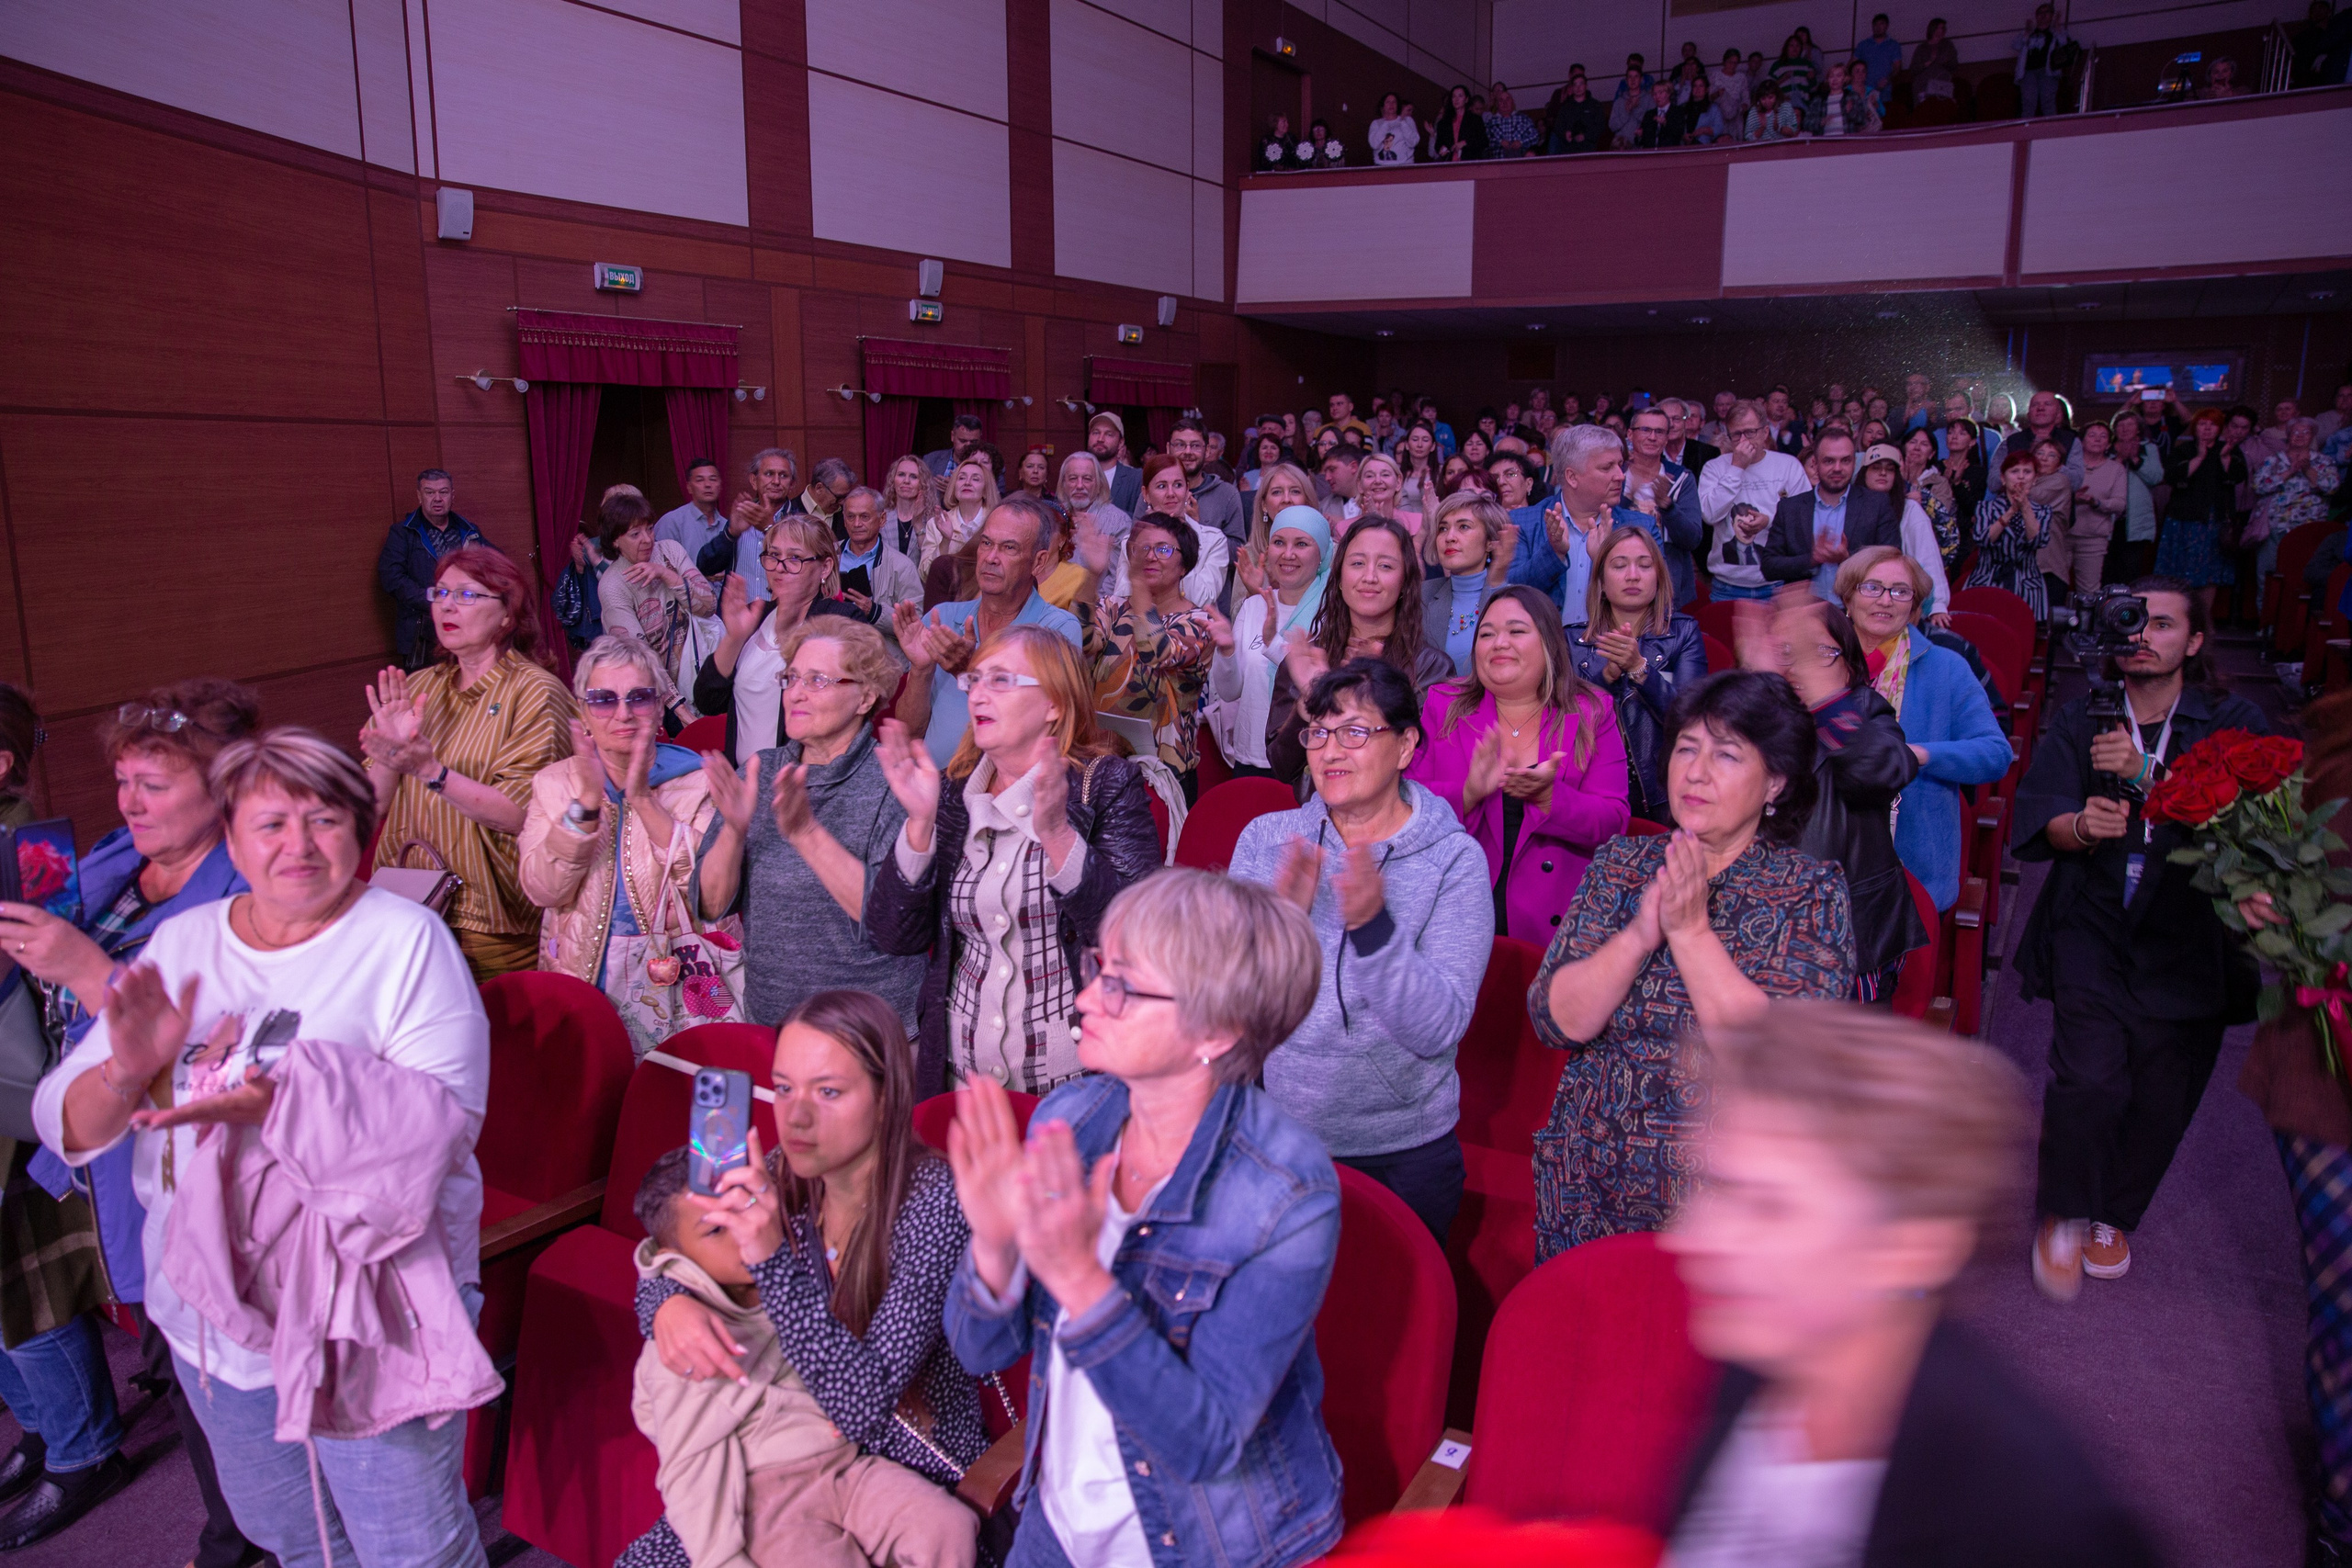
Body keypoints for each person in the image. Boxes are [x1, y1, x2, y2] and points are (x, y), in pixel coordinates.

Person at [34, 729, 493, 1568]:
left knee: (410, 1549)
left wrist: (284, 1105)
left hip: (368, 1308)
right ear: (232, 837)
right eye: (271, 823)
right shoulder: (186, 940)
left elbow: (444, 1129)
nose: (298, 845)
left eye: (324, 820)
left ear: (358, 827)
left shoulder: (405, 941)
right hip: (211, 1310)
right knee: (288, 1534)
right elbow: (69, 1122)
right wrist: (126, 1070)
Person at [1663, 1003, 2162, 1567]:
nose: (1691, 1237)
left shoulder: (2033, 1516)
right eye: (1714, 1188)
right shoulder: (1765, 1357)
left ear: (1912, 1249)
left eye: (1767, 1207)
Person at [943, 869, 1343, 1568]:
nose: (1084, 998)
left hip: (1207, 1546)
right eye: (1098, 967)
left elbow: (1204, 1443)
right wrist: (995, 1247)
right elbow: (979, 1351)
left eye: (1121, 985)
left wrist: (1080, 1278)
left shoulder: (1288, 1192)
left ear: (1216, 1030)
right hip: (1057, 1527)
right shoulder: (1071, 1117)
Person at [0, 683, 261, 1559]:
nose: (130, 802)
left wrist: (82, 968)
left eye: (154, 783)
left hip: (185, 1159)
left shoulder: (245, 887)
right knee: (167, 1350)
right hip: (88, 1131)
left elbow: (208, 1042)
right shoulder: (118, 854)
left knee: (208, 1372)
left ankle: (238, 1541)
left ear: (223, 785)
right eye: (123, 780)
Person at [624, 989, 985, 1568]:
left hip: (903, 1463)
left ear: (886, 1097)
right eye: (784, 1087)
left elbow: (863, 1407)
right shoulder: (785, 1174)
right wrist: (667, 1299)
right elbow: (685, 1244)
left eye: (828, 1092)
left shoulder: (934, 1202)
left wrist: (771, 1261)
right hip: (779, 1454)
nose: (795, 1117)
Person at [1529, 671, 1854, 1258]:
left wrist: (1691, 932)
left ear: (1775, 781)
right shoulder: (1622, 864)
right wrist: (1638, 935)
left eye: (1726, 755)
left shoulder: (1809, 891)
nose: (1696, 773)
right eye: (1686, 749)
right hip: (1588, 1181)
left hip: (1727, 1207)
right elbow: (1556, 1022)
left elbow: (1781, 1065)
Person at [2013, 579, 2270, 1298]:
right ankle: (2064, 1213)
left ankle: (2114, 1213)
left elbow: (2254, 828)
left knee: (2163, 1094)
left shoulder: (2234, 720)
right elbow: (2042, 815)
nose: (2144, 636)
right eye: (2132, 622)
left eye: (2162, 624)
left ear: (2194, 641)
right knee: (2087, 1079)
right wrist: (2078, 827)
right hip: (2095, 918)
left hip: (2192, 928)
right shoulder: (2085, 716)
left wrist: (2146, 774)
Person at [1228, 660, 1491, 1240]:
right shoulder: (1267, 841)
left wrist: (1373, 928)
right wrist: (1282, 928)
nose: (1330, 751)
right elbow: (1229, 1009)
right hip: (1276, 1135)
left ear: (1405, 746)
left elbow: (1437, 1028)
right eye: (1318, 733)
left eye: (1353, 731)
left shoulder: (1454, 861)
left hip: (1401, 1151)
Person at [866, 626, 1161, 1098]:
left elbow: (1137, 937)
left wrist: (1058, 835)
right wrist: (920, 824)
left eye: (1001, 680)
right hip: (960, 1083)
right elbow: (893, 935)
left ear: (1054, 704)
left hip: (1069, 1087)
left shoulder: (1106, 784)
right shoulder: (951, 793)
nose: (978, 694)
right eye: (974, 680)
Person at [693, 620, 926, 1036]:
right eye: (791, 678)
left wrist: (805, 833)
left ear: (865, 697)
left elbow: (893, 920)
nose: (795, 693)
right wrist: (733, 831)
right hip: (772, 1023)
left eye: (817, 680)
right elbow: (709, 906)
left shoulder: (895, 781)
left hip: (867, 1035)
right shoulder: (760, 771)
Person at [361, 545, 573, 983]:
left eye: (467, 595)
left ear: (507, 615)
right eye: (440, 593)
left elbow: (520, 814)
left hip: (489, 922)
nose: (447, 606)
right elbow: (371, 808)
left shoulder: (535, 692)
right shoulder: (417, 687)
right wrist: (389, 758)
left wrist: (430, 772)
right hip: (406, 905)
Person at [518, 635, 718, 1054]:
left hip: (677, 987)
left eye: (639, 697)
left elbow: (710, 896)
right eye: (603, 700)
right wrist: (586, 804)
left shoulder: (700, 780)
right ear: (583, 713)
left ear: (660, 707)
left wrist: (642, 798)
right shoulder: (554, 784)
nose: (623, 713)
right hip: (582, 983)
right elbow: (544, 891)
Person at [1408, 588, 1628, 946]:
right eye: (1486, 634)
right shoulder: (1444, 704)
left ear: (1549, 644)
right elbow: (1406, 806)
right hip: (1455, 915)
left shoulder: (1592, 710)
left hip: (1557, 928)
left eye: (1516, 631)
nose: (1499, 643)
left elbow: (1614, 821)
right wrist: (1467, 794)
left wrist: (1551, 800)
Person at [1737, 593, 1924, 1003]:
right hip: (1755, 930)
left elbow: (1887, 769)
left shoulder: (1866, 710)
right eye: (1784, 652)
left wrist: (1821, 695)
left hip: (1847, 937)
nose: (1796, 665)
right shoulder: (1751, 721)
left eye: (1819, 652)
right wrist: (1754, 686)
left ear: (1850, 664)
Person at [1835, 548, 2009, 915]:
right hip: (1823, 861)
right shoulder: (1819, 663)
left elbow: (1995, 754)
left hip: (1913, 869)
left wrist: (1920, 754)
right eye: (1872, 587)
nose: (1885, 600)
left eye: (1900, 591)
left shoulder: (1947, 667)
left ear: (1914, 606)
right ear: (1848, 598)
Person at [893, 499, 1088, 771]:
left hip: (1002, 786)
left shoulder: (1056, 630)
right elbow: (909, 735)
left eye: (1009, 547)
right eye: (986, 543)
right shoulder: (942, 619)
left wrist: (968, 671)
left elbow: (1046, 733)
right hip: (930, 785)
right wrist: (921, 670)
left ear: (1038, 562)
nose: (991, 557)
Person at [1266, 518, 1455, 787]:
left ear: (1404, 582)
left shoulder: (1432, 667)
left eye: (1385, 566)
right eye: (1357, 563)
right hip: (1321, 810)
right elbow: (1281, 767)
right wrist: (1311, 701)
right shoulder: (1307, 660)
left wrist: (1377, 685)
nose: (1370, 577)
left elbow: (1428, 764)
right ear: (1340, 578)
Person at [695, 514, 865, 763]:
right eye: (774, 555)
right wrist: (734, 638)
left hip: (805, 779)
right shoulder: (755, 615)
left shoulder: (842, 620)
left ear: (825, 567)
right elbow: (707, 701)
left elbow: (838, 709)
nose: (780, 567)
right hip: (743, 779)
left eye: (795, 558)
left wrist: (788, 637)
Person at [1566, 526, 1708, 823]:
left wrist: (1639, 669)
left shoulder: (1684, 633)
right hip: (1590, 793)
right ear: (1600, 583)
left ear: (1659, 578)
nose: (1633, 575)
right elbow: (1565, 726)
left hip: (1664, 796)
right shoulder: (1571, 640)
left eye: (1644, 565)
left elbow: (1690, 720)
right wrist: (1606, 677)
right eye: (1619, 566)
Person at [1081, 514, 1218, 786]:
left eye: (1163, 549)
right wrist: (1092, 576)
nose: (1150, 557)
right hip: (1103, 762)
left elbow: (1156, 653)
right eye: (1142, 549)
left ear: (1184, 566)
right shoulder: (1113, 607)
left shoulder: (1199, 622)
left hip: (1165, 774)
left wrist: (1138, 585)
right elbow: (1083, 640)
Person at [1209, 505, 1330, 780]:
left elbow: (1321, 692)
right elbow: (1229, 692)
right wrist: (1226, 652)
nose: (1288, 554)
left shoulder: (1333, 613)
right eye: (1279, 542)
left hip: (1305, 764)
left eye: (1301, 544)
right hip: (1250, 758)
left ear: (1321, 554)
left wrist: (1273, 643)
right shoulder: (1253, 606)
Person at [1506, 425, 1666, 615]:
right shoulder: (1521, 522)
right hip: (1545, 634)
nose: (1620, 476)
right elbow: (1510, 594)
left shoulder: (1642, 527)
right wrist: (1554, 553)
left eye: (1620, 465)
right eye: (1607, 467)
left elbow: (1661, 599)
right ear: (1572, 477)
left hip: (1614, 633)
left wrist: (1603, 559)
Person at [596, 491, 718, 705]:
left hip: (705, 673)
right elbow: (639, 657)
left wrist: (666, 574)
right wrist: (678, 708)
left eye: (650, 529)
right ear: (615, 541)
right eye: (635, 534)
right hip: (658, 694)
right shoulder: (612, 584)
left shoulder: (669, 551)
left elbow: (709, 606)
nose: (647, 539)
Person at [1700, 401, 1812, 603]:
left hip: (1778, 584)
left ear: (1765, 432)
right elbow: (1709, 515)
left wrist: (1769, 522)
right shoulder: (1714, 468)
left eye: (1750, 432)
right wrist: (1736, 468)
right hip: (1726, 586)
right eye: (1736, 434)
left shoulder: (1788, 466)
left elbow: (1804, 520)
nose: (1744, 440)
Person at [378, 468, 486, 671]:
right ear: (419, 496)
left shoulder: (469, 531)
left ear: (452, 495)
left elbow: (493, 567)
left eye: (443, 492)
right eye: (430, 492)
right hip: (421, 633)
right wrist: (436, 601)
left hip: (466, 629)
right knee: (427, 690)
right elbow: (392, 578)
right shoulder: (402, 533)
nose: (437, 498)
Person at [2156, 407, 2249, 614]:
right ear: (2194, 427)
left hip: (2214, 522)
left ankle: (2203, 620)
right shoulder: (2184, 449)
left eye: (2213, 424)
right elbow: (2172, 477)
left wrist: (2225, 459)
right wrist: (2199, 457)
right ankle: (2178, 616)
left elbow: (2238, 476)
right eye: (2202, 423)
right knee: (2178, 573)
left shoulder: (2229, 449)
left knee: (2209, 574)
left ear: (2220, 428)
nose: (2207, 428)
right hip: (2182, 520)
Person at [1855, 443, 1954, 618]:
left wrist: (1937, 606)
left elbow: (1928, 559)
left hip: (1898, 602)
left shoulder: (1910, 510)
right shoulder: (1851, 507)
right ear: (1864, 473)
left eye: (1890, 469)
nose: (1883, 473)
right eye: (1876, 468)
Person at [1418, 491, 1511, 673]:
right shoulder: (1422, 596)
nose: (1449, 537)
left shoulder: (1514, 600)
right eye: (1443, 529)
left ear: (1490, 542)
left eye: (1464, 527)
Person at [1623, 405, 1704, 606]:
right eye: (1645, 430)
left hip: (1670, 590)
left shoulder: (1681, 478)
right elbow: (1600, 530)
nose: (1652, 437)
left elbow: (1692, 539)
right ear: (1630, 434)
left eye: (1659, 432)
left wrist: (1667, 506)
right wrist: (1627, 497)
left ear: (1667, 438)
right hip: (1620, 583)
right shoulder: (1615, 476)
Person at [2250, 418, 2340, 596]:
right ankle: (2266, 614)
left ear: (2312, 436)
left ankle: (2295, 614)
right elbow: (2258, 486)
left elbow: (2332, 488)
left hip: (2308, 529)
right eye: (2295, 432)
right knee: (2267, 576)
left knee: (2300, 578)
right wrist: (2290, 471)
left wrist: (2308, 471)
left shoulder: (2324, 461)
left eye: (2306, 432)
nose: (2300, 436)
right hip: (2274, 527)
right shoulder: (2273, 460)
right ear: (2288, 435)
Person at [1963, 447, 2053, 620]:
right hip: (1987, 581)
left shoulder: (2043, 511)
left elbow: (2038, 541)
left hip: (2027, 586)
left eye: (2027, 472)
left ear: (2035, 479)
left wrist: (2025, 507)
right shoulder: (1985, 507)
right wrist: (2011, 511)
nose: (2021, 477)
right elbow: (1983, 539)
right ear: (2003, 479)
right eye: (2015, 471)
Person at [835, 485, 924, 631]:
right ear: (844, 520)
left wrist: (874, 611)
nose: (856, 524)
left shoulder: (902, 566)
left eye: (864, 517)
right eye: (851, 517)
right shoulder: (827, 556)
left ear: (882, 519)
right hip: (832, 638)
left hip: (877, 642)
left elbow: (914, 623)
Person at [1899, 425, 1964, 582]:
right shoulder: (1892, 477)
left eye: (1924, 444)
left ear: (1932, 453)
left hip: (1926, 550)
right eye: (1913, 442)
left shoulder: (1939, 483)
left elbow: (1942, 517)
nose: (1917, 448)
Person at [916, 458, 1000, 579]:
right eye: (961, 478)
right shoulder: (936, 524)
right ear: (954, 487)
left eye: (975, 479)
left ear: (986, 490)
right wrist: (945, 541)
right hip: (948, 589)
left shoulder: (997, 522)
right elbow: (925, 575)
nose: (967, 482)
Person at [654, 457, 732, 564]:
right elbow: (659, 564)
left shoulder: (728, 526)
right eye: (700, 480)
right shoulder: (671, 522)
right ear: (689, 487)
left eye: (713, 479)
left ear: (720, 486)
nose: (707, 485)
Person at [2014, 4, 2075, 117]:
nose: (2043, 15)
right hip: (2028, 72)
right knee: (2028, 103)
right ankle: (2026, 127)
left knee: (2048, 103)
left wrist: (2057, 26)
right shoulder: (2030, 32)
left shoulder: (2055, 32)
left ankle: (2052, 126)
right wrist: (2027, 32)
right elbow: (2016, 45)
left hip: (2048, 72)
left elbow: (2064, 43)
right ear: (2036, 16)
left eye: (2046, 12)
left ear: (2051, 16)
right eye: (2040, 13)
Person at [881, 455, 943, 560]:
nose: (906, 481)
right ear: (893, 480)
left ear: (923, 483)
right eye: (901, 475)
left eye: (913, 476)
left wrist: (918, 525)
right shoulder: (882, 518)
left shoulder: (933, 520)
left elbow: (930, 560)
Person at [1087, 412, 1143, 515]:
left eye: (1109, 434)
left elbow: (1141, 518)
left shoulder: (1136, 478)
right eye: (1096, 433)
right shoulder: (1074, 475)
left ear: (1121, 442)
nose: (1100, 439)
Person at [1911, 17, 1962, 111]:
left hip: (1942, 85)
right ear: (1933, 29)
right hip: (1923, 86)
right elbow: (1913, 69)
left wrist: (1946, 62)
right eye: (1940, 28)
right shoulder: (1922, 48)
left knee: (1943, 111)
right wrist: (1927, 63)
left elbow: (1954, 65)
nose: (1942, 31)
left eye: (1943, 28)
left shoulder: (1948, 45)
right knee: (1925, 112)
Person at [1430, 83, 1488, 161]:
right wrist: (1441, 148)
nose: (1456, 99)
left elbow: (1484, 141)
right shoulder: (1444, 122)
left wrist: (1465, 143)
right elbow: (1438, 144)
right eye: (1454, 96)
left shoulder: (1475, 120)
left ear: (1466, 99)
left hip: (1469, 162)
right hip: (1449, 162)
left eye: (1460, 96)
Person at [922, 412, 986, 480]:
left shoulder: (987, 463)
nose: (968, 445)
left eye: (974, 442)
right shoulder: (930, 460)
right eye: (963, 441)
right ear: (952, 436)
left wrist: (953, 486)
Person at [1368, 92, 1418, 164]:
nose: (1391, 104)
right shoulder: (1376, 123)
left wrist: (1402, 122)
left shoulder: (1407, 121)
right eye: (1388, 102)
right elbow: (1374, 144)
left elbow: (1413, 142)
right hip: (1382, 166)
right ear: (1383, 106)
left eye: (1394, 102)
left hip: (1405, 165)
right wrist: (1385, 124)